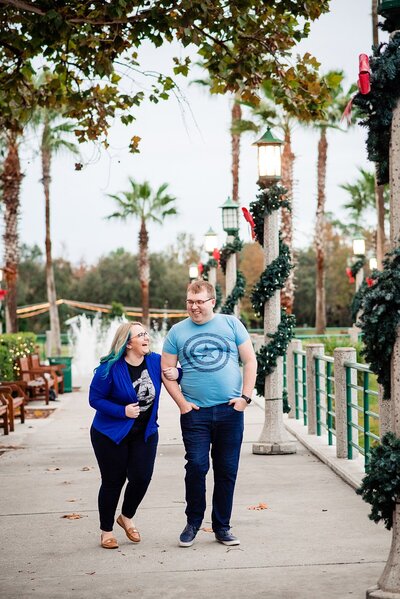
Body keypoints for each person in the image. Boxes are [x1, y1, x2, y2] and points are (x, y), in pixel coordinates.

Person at [161, 280, 257, 547]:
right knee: (196, 467)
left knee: (227, 470)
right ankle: (193, 522)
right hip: (195, 413)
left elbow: (250, 360)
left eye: (200, 302)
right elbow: (165, 371)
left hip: (230, 411)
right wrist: (181, 403)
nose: (194, 307)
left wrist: (245, 398)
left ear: (212, 301)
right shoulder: (177, 332)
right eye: (190, 302)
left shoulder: (231, 324)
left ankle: (222, 527)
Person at [89, 321, 179, 549]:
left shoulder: (155, 361)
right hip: (110, 434)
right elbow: (95, 399)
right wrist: (122, 411)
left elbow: (178, 371)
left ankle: (126, 516)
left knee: (142, 477)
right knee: (113, 481)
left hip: (144, 432)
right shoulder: (109, 368)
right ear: (128, 343)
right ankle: (106, 531)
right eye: (140, 335)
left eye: (146, 333)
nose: (146, 337)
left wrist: (177, 371)